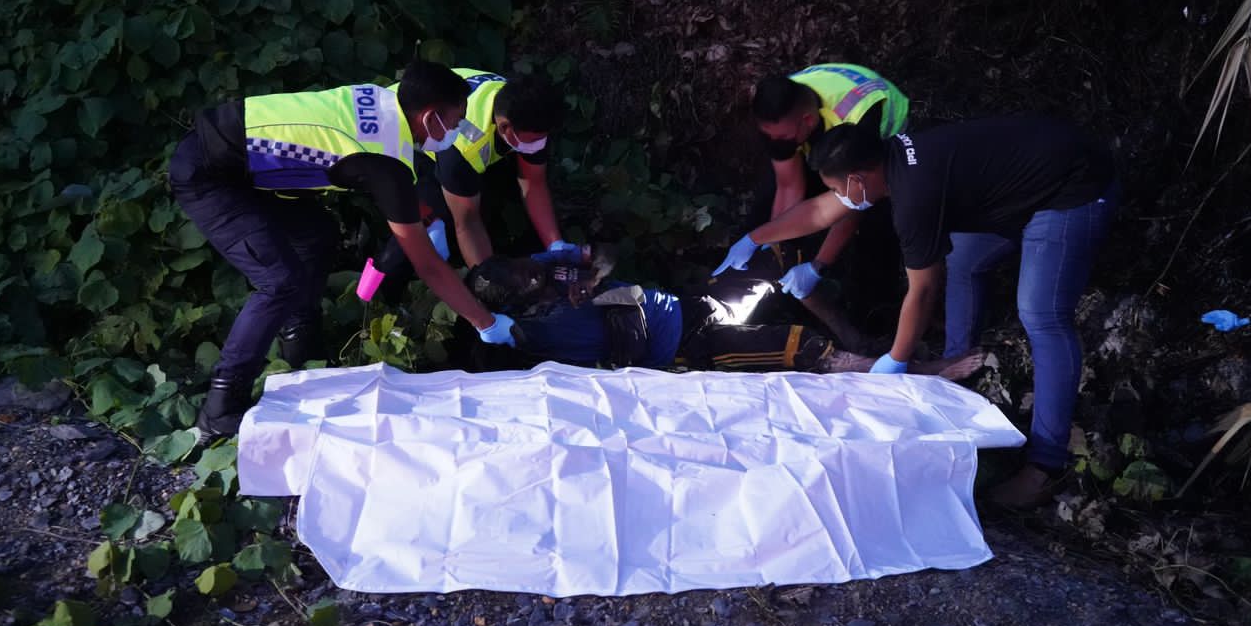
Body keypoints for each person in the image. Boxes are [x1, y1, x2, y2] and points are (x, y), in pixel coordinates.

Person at [719, 117, 1118, 507]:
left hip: (1073, 187)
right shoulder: (889, 160)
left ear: (857, 179)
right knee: (964, 261)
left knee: (1041, 315)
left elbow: (923, 290)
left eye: (839, 189)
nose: (840, 198)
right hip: (1020, 182)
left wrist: (896, 358)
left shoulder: (914, 198)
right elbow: (821, 211)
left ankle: (1045, 465)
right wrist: (755, 238)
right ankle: (957, 372)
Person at [169, 60, 520, 439]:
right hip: (211, 173)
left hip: (244, 160)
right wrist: (485, 322)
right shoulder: (387, 162)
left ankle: (301, 349)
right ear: (429, 116)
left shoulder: (386, 102)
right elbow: (428, 265)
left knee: (316, 235)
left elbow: (375, 177)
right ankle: (220, 407)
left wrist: (420, 215)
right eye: (455, 121)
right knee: (279, 281)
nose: (457, 130)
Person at [463, 248, 990, 380]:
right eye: (528, 285)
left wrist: (592, 277)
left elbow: (602, 256)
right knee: (797, 345)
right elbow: (627, 351)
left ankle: (857, 331)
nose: (538, 280)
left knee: (771, 260)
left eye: (532, 272)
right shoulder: (536, 332)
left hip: (693, 306)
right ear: (516, 305)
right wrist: (616, 305)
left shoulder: (547, 268)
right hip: (689, 349)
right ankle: (915, 371)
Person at [744, 64, 910, 325]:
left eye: (783, 138)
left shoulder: (860, 118)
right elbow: (788, 185)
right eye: (770, 137)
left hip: (878, 148)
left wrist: (818, 265)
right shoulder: (780, 115)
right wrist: (773, 244)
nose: (777, 143)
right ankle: (779, 288)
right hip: (824, 138)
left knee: (876, 230)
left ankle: (877, 314)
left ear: (807, 122)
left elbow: (856, 202)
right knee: (766, 203)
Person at [411, 68, 578, 267]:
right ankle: (385, 280)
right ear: (505, 127)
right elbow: (467, 223)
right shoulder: (462, 148)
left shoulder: (522, 107)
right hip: (405, 153)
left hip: (445, 119)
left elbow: (534, 182)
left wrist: (555, 244)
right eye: (534, 139)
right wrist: (489, 279)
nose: (539, 144)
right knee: (430, 228)